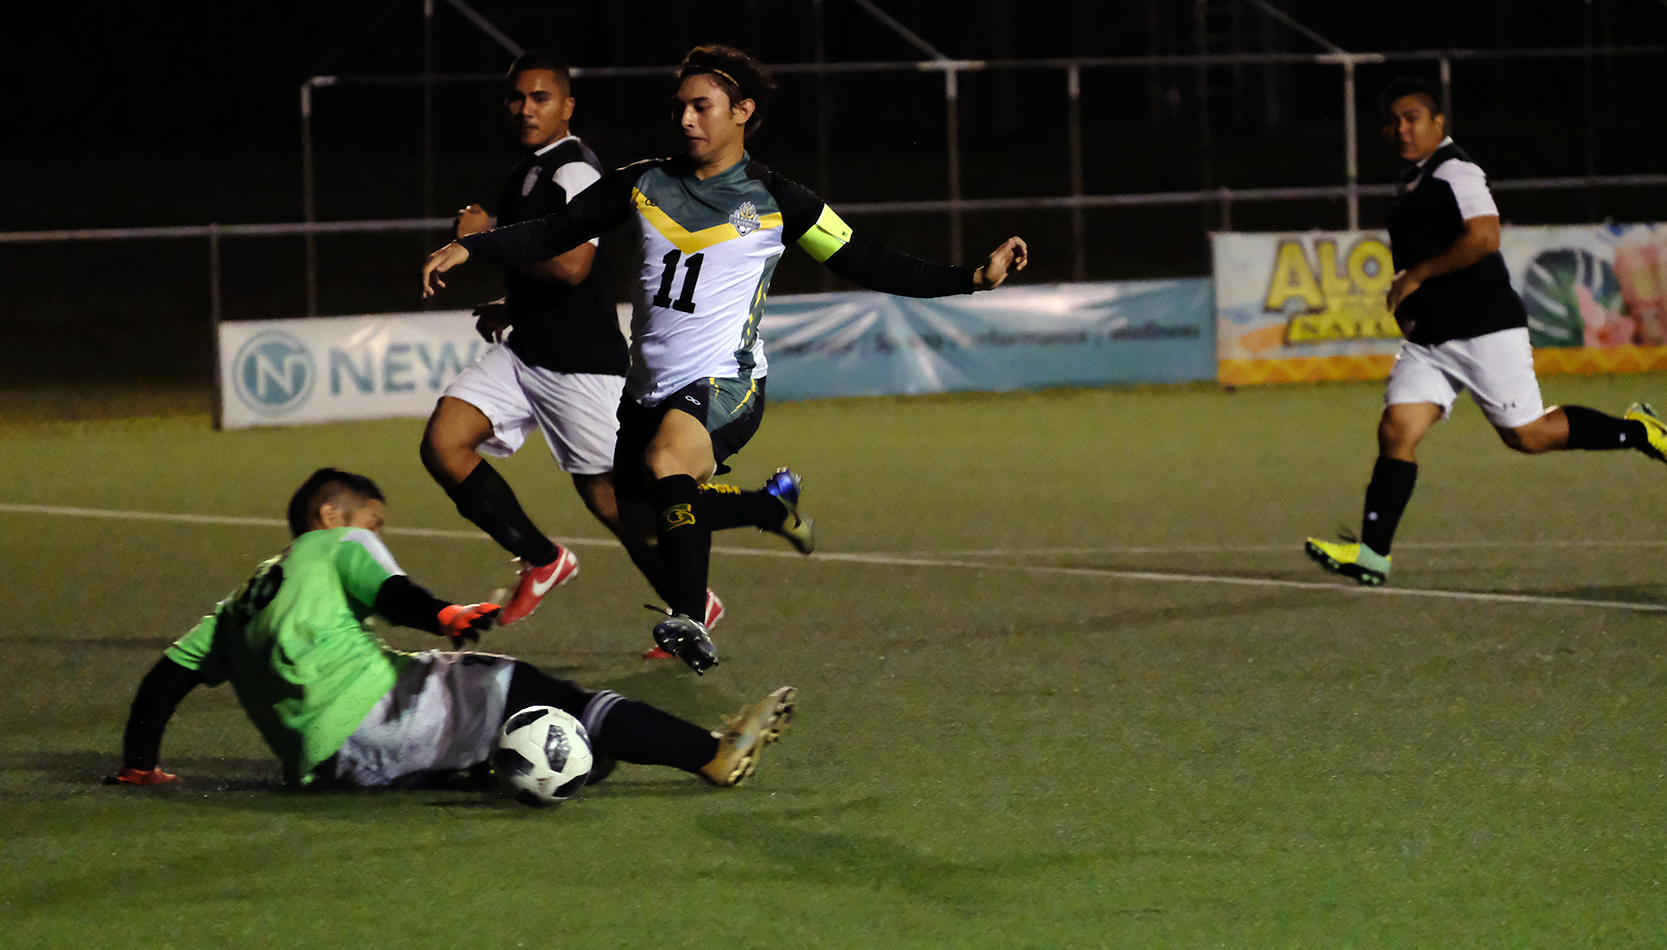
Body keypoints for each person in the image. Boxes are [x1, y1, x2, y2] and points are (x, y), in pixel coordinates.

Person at [421, 44, 1030, 673]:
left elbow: (871, 260)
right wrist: (474, 249)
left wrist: (972, 278)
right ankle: (769, 507)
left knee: (667, 466)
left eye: (701, 106)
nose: (686, 119)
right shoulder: (641, 182)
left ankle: (687, 616)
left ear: (743, 111)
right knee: (648, 518)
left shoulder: (780, 200)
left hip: (726, 383)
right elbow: (555, 231)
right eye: (680, 106)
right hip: (646, 389)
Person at [104, 468, 797, 792]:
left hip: (329, 767)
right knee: (534, 687)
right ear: (330, 514)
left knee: (484, 708)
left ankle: (494, 766)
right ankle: (707, 751)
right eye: (373, 519)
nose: (376, 531)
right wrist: (444, 615)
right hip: (380, 715)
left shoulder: (237, 603)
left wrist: (140, 765)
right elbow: (393, 591)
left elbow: (162, 682)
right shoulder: (332, 545)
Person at [1304, 78, 1667, 586]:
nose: (1401, 128)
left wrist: (1418, 275)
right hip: (1431, 341)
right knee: (1397, 430)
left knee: (1528, 436)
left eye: (1412, 117)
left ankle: (1639, 432)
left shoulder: (1456, 170)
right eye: (1392, 120)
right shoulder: (1413, 180)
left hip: (1484, 327)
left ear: (1437, 123)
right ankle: (1372, 555)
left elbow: (1485, 238)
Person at [419, 51, 654, 629]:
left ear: (567, 106)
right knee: (444, 443)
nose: (526, 109)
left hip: (580, 363)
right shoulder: (528, 169)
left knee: (610, 503)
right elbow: (543, 262)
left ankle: (692, 601)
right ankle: (543, 559)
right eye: (517, 98)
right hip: (528, 350)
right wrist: (513, 304)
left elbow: (573, 265)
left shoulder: (574, 170)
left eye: (540, 98)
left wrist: (487, 237)